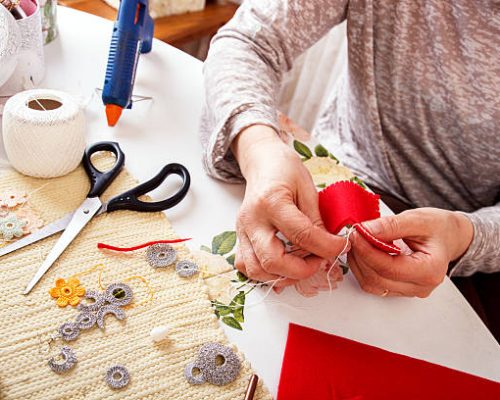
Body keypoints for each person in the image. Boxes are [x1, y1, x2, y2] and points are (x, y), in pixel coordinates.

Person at [200, 1, 500, 339]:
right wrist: (257, 146)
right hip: (331, 173)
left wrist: (467, 236)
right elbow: (249, 41)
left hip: (461, 245)